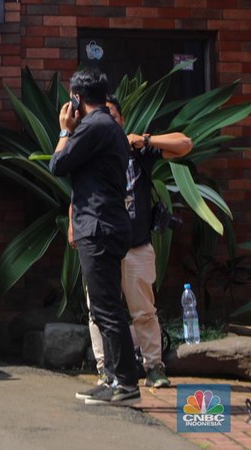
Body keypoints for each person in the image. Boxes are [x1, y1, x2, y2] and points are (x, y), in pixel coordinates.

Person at [80, 95, 192, 389]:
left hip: (136, 245)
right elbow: (78, 192)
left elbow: (185, 144)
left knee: (143, 310)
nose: (108, 121)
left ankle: (154, 366)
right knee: (99, 312)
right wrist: (72, 226)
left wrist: (144, 139)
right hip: (101, 245)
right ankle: (107, 369)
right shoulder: (90, 150)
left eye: (113, 116)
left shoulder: (137, 152)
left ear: (122, 121)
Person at [49, 69, 139, 406]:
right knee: (104, 308)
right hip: (104, 223)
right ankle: (114, 379)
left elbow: (57, 165)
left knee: (107, 308)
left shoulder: (93, 126)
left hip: (99, 225)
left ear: (76, 97)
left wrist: (63, 129)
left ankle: (126, 384)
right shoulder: (107, 126)